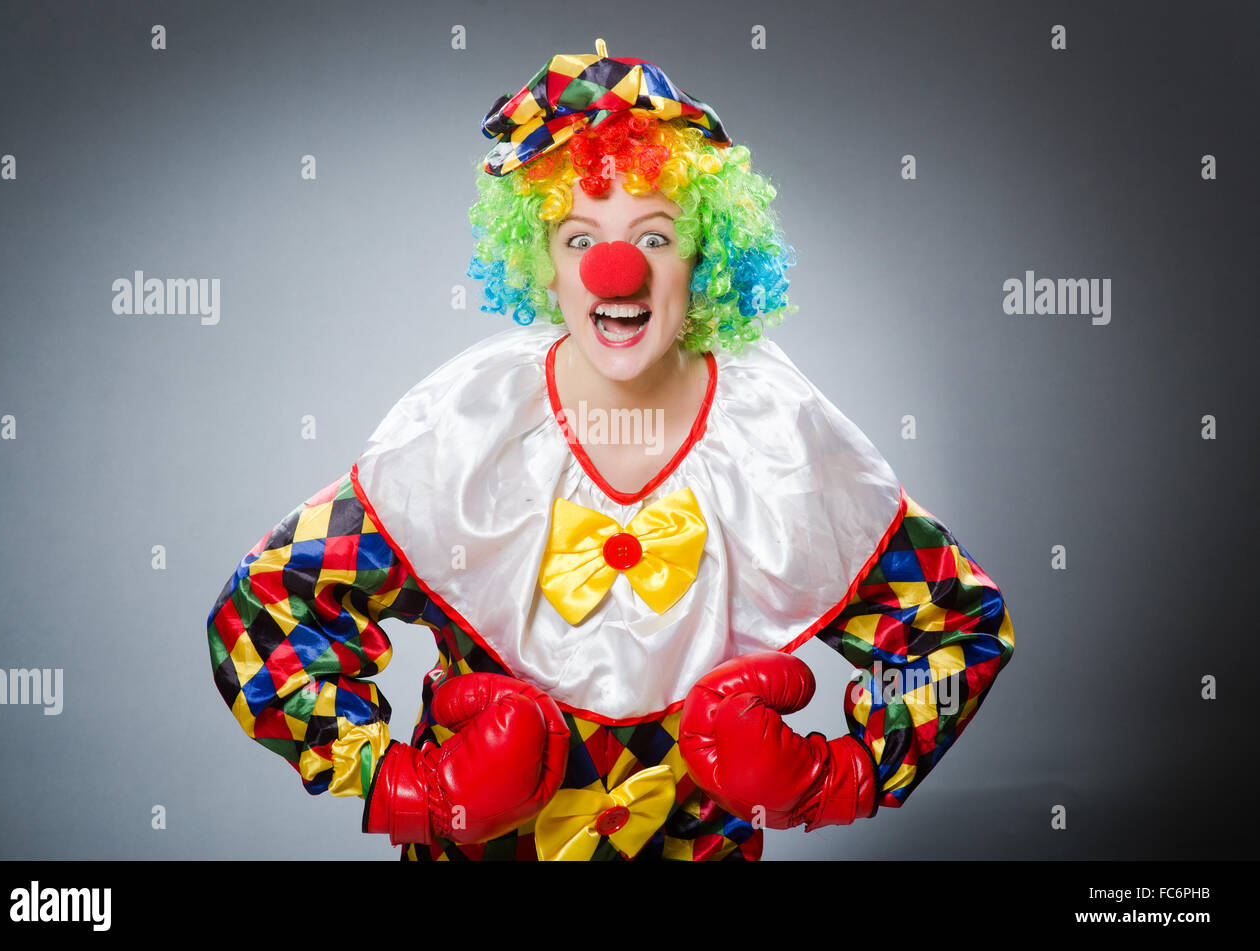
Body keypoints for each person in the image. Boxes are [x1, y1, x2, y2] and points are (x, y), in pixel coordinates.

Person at [206, 39, 1015, 861]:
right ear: (544, 266)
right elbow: (266, 610)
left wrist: (838, 778)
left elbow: (954, 623)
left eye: (655, 238)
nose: (616, 273)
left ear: (706, 256)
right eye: (580, 241)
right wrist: (408, 790)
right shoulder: (471, 424)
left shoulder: (778, 436)